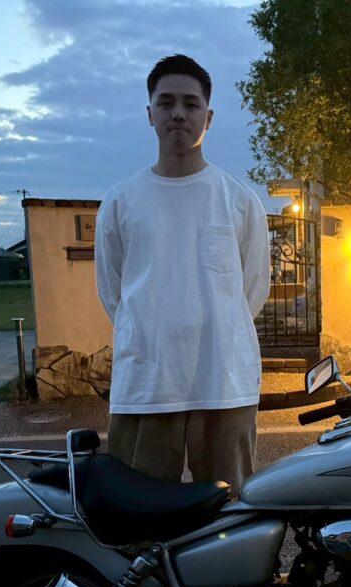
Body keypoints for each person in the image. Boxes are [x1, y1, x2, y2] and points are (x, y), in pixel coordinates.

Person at [95, 54, 270, 496]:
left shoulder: (239, 201)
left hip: (223, 381)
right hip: (147, 384)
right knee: (138, 511)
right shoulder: (121, 202)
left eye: (191, 104)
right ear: (149, 113)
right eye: (166, 102)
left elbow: (251, 291)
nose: (178, 113)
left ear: (208, 117)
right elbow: (114, 293)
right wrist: (149, 332)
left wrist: (216, 327)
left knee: (231, 511)